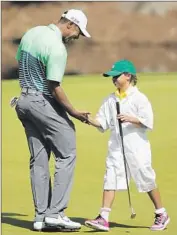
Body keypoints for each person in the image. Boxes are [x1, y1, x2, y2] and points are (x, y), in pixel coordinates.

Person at [13, 9, 91, 231]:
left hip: (23, 102)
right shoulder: (57, 47)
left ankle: (40, 217)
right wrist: (73, 112)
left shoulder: (32, 32)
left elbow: (21, 62)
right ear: (71, 26)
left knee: (38, 158)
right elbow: (54, 86)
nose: (76, 37)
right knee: (67, 150)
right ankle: (56, 213)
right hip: (40, 100)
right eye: (78, 33)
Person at [84, 60, 170, 231]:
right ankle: (103, 217)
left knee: (145, 178)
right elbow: (103, 123)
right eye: (112, 76)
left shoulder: (140, 98)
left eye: (116, 76)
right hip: (116, 146)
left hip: (137, 146)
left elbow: (148, 122)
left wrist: (132, 118)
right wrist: (89, 120)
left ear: (128, 76)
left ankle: (161, 213)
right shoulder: (110, 99)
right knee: (111, 177)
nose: (113, 79)